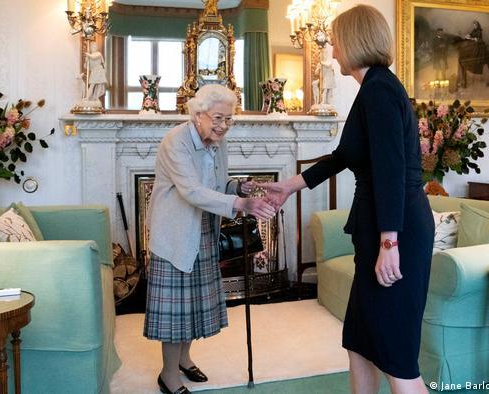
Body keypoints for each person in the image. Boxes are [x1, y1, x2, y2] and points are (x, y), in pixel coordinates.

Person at [261, 5, 434, 393]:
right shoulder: (371, 88)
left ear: (355, 40)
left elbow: (390, 171)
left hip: (395, 230)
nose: (333, 49)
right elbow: (345, 156)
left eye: (336, 40)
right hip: (379, 227)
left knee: (396, 357)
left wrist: (389, 242)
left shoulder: (380, 90)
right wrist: (292, 184)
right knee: (359, 342)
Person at [143, 84, 276, 394]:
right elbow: (191, 191)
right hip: (175, 234)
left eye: (229, 119)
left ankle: (184, 360)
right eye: (218, 118)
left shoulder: (218, 143)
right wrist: (241, 205)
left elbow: (216, 183)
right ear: (197, 114)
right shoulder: (176, 142)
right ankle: (168, 374)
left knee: (191, 306)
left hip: (203, 230)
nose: (223, 126)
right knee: (175, 311)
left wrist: (236, 188)